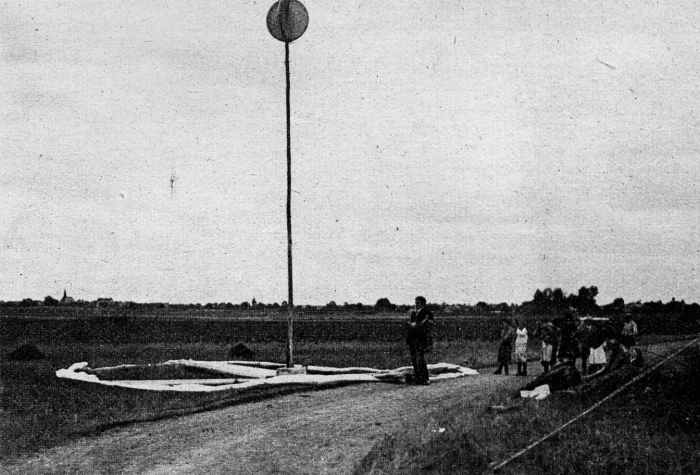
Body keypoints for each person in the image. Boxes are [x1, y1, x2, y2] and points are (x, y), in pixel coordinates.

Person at [406, 296, 434, 385]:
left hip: (421, 339)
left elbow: (430, 324)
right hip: (413, 338)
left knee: (420, 358)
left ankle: (425, 378)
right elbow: (413, 324)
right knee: (414, 358)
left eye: (417, 303)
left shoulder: (427, 312)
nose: (416, 304)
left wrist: (418, 324)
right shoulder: (414, 313)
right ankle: (418, 377)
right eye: (415, 303)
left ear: (422, 303)